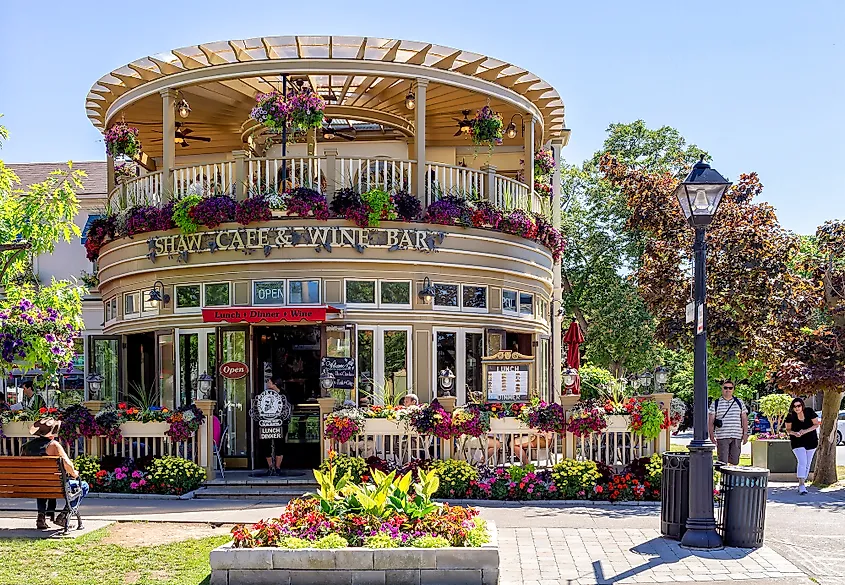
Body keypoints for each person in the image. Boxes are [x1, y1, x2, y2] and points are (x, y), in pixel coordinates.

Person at [23, 418, 89, 530]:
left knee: (42, 483)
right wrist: (74, 474)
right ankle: (64, 516)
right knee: (84, 486)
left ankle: (41, 517)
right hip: (54, 485)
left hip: (33, 485)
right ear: (53, 432)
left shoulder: (26, 447)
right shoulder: (53, 445)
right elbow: (68, 464)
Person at [785, 397, 820, 494]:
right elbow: (788, 430)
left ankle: (803, 483)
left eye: (799, 406)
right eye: (794, 406)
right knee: (802, 461)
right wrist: (794, 433)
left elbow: (816, 424)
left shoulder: (809, 412)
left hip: (811, 441)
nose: (797, 408)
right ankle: (801, 485)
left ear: (802, 406)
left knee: (807, 464)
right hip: (797, 442)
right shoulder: (790, 416)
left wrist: (805, 431)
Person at [707, 381, 748, 465]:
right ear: (722, 389)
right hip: (722, 436)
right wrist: (711, 435)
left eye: (730, 388)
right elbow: (710, 421)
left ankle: (731, 478)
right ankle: (723, 478)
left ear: (733, 390)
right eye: (725, 388)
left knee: (734, 462)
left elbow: (744, 419)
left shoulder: (739, 402)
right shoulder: (716, 403)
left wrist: (745, 434)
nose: (728, 390)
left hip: (737, 435)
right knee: (722, 462)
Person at [259, 377, 290, 476]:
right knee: (266, 444)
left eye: (269, 382)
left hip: (281, 424)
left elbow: (287, 409)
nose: (267, 383)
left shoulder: (284, 395)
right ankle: (270, 466)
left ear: (274, 384)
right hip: (267, 424)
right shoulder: (265, 394)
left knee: (280, 444)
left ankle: (277, 467)